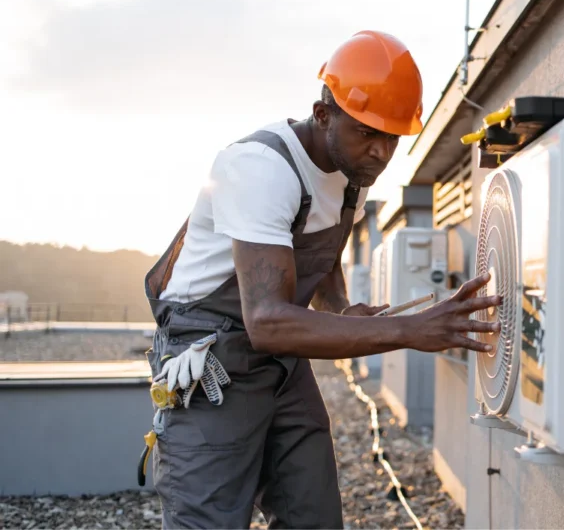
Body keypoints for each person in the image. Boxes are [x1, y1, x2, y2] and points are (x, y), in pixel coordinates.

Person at [141, 30, 500, 529]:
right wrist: (409, 332)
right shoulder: (261, 169)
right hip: (209, 359)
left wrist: (339, 308)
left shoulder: (349, 175)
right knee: (209, 519)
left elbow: (320, 248)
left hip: (279, 361)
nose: (379, 152)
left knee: (311, 513)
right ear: (323, 114)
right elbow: (266, 321)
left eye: (391, 138)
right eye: (366, 132)